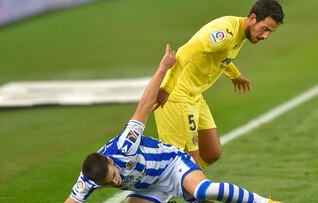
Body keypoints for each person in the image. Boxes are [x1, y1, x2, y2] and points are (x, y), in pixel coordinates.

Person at [64, 45, 281, 203]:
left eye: (113, 176)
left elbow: (144, 106)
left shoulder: (123, 146)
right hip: (149, 187)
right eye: (108, 184)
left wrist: (162, 69)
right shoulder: (90, 179)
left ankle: (264, 202)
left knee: (202, 191)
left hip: (171, 165)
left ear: (110, 161)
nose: (116, 183)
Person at [153, 0, 285, 169]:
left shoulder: (240, 33)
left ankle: (187, 185)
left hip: (194, 96)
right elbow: (185, 51)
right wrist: (167, 88)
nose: (265, 36)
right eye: (265, 29)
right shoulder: (226, 32)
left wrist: (235, 75)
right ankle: (181, 189)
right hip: (177, 95)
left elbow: (221, 56)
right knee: (187, 162)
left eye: (270, 32)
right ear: (253, 18)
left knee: (211, 152)